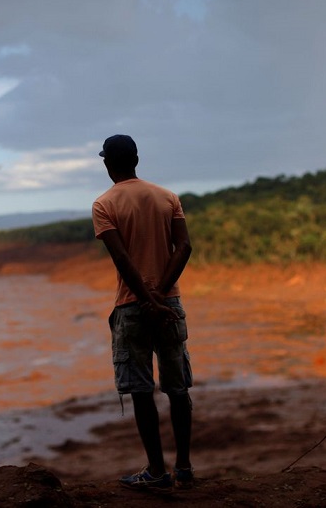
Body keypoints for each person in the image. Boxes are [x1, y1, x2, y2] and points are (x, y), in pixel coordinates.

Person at [91, 134, 194, 491]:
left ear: (107, 164)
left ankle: (156, 471)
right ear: (137, 158)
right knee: (178, 389)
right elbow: (184, 246)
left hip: (132, 307)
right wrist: (161, 295)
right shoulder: (168, 197)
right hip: (170, 304)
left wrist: (147, 301)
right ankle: (183, 468)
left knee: (140, 390)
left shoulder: (104, 204)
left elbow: (121, 258)